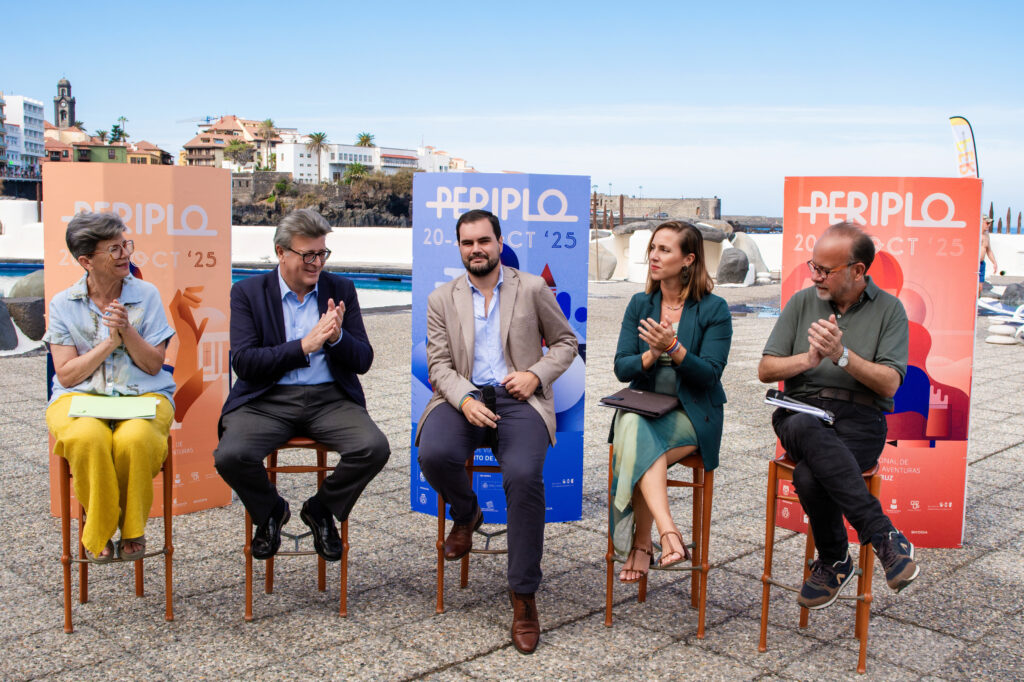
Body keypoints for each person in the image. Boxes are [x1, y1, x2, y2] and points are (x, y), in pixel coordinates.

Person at [415, 209, 578, 654]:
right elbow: (438, 366)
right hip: (463, 397)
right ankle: (467, 513)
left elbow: (565, 343)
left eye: (484, 241)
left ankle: (523, 597)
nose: (476, 249)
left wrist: (535, 375)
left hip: (519, 399)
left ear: (500, 243)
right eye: (468, 243)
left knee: (524, 478)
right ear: (459, 247)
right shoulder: (441, 298)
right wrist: (465, 400)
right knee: (433, 454)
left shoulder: (533, 288)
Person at [758, 221, 919, 611]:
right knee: (801, 424)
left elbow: (889, 384)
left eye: (825, 270)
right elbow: (766, 369)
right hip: (801, 410)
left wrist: (842, 356)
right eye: (813, 266)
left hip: (860, 419)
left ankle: (834, 560)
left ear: (858, 270)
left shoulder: (890, 310)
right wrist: (808, 359)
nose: (815, 276)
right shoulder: (802, 302)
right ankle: (882, 535)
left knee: (809, 475)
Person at [214, 208, 389, 564]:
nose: (317, 263)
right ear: (281, 252)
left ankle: (321, 509)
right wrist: (303, 347)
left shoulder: (340, 289)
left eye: (322, 253)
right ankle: (271, 511)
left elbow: (363, 360)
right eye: (308, 255)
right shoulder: (248, 292)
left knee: (373, 448)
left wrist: (336, 338)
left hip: (329, 399)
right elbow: (244, 363)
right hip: (266, 399)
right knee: (230, 456)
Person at [44, 212, 176, 563]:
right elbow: (67, 375)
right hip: (79, 396)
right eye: (114, 249)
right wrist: (108, 343)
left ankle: (132, 527)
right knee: (87, 438)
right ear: (86, 261)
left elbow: (153, 364)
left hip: (143, 394)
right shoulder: (63, 303)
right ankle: (100, 528)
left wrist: (127, 331)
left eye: (126, 245)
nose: (125, 254)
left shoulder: (146, 295)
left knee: (136, 440)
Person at [610, 221, 732, 582]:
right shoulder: (640, 304)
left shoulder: (714, 309)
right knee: (633, 424)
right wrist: (651, 354)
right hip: (644, 409)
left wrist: (674, 348)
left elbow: (710, 375)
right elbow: (622, 367)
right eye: (653, 248)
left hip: (691, 415)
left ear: (688, 259)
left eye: (664, 249)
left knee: (635, 441)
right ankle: (668, 534)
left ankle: (643, 543)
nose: (654, 256)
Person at [979, 216, 998, 297]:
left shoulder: (986, 235)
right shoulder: (976, 234)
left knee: (980, 287)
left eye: (990, 223)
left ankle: (976, 301)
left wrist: (994, 262)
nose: (989, 225)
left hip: (981, 264)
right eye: (987, 223)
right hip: (973, 264)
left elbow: (988, 250)